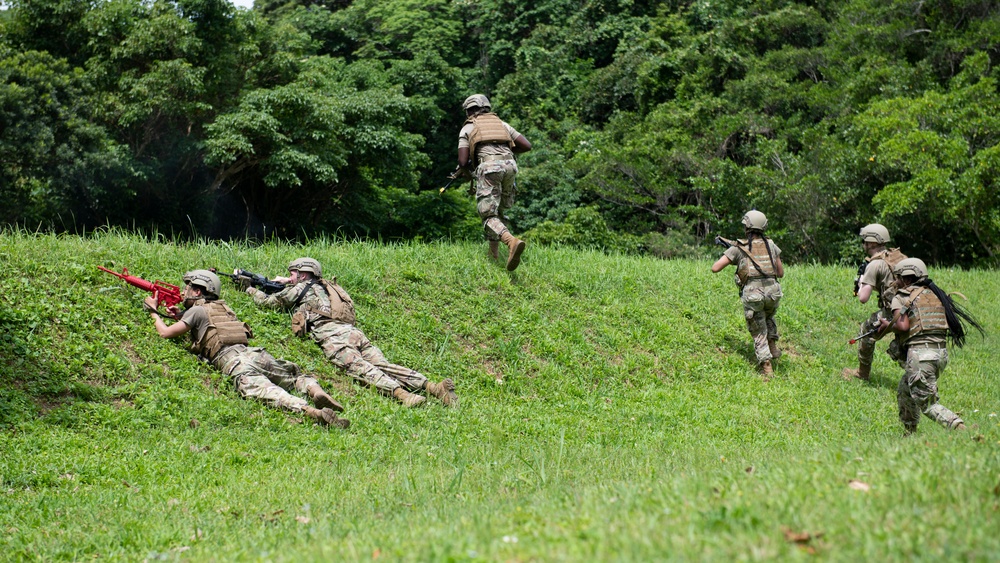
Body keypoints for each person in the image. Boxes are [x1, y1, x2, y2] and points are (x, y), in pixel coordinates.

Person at [144, 269, 349, 428]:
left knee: (268, 392)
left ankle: (312, 412)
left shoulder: (196, 310)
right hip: (253, 353)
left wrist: (153, 311)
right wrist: (182, 314)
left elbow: (165, 332)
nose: (183, 291)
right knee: (293, 376)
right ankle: (315, 390)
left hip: (233, 362)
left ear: (198, 291)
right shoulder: (223, 307)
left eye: (187, 287)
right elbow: (208, 323)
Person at [244, 258, 458, 408]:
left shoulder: (301, 287)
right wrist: (281, 283)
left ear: (302, 273)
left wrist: (250, 289)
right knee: (382, 364)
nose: (289, 277)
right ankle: (431, 387)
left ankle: (402, 395)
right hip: (353, 331)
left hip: (332, 335)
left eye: (292, 274)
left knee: (360, 368)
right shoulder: (328, 287)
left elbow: (271, 303)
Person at [881, 258, 984, 434]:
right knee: (905, 389)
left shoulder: (903, 297)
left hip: (921, 355)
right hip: (939, 354)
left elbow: (903, 326)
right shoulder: (934, 295)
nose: (894, 281)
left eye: (897, 277)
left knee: (927, 403)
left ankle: (964, 431)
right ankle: (909, 434)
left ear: (906, 278)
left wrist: (886, 325)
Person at [454, 93, 532, 271]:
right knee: (499, 210)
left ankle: (511, 242)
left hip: (489, 167)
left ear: (470, 110)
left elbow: (462, 161)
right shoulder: (502, 124)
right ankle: (494, 254)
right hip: (510, 166)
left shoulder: (467, 128)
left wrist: (471, 165)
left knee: (488, 214)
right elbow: (526, 146)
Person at [711, 210, 785, 377]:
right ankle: (772, 344)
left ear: (746, 227)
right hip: (773, 293)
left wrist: (735, 256)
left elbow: (715, 268)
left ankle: (767, 368)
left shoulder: (739, 247)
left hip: (754, 295)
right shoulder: (771, 245)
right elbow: (780, 273)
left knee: (758, 329)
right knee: (768, 316)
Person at [847, 224, 907, 381]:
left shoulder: (874, 264)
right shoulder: (896, 256)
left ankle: (862, 373)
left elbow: (862, 298)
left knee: (866, 328)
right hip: (910, 308)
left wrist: (861, 284)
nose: (863, 244)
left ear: (872, 243)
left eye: (865, 241)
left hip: (892, 312)